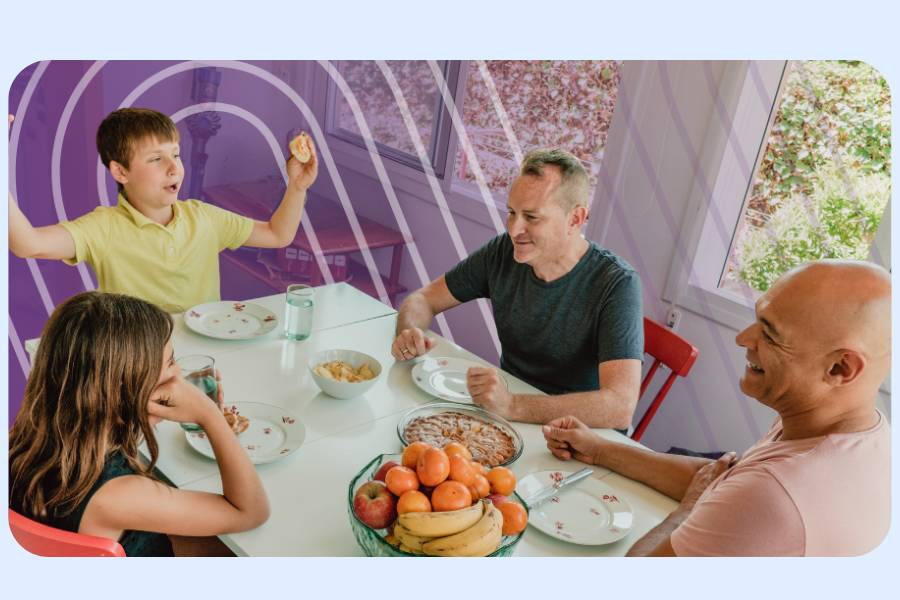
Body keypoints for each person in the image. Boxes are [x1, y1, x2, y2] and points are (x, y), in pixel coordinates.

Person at [543, 260, 890, 556]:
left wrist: (688, 510)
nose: (743, 338)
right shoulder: (855, 428)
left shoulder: (777, 492)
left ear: (840, 368)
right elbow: (723, 480)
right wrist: (601, 449)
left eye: (769, 335)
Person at [392, 148, 643, 429]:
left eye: (532, 217)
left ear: (575, 219)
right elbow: (423, 299)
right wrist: (408, 332)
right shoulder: (503, 251)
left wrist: (512, 404)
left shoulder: (617, 283)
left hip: (580, 436)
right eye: (512, 212)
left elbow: (620, 406)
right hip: (508, 419)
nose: (514, 229)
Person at [9, 292, 270, 556]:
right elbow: (250, 512)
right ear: (124, 387)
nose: (178, 375)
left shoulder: (23, 440)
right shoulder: (119, 496)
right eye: (170, 363)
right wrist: (209, 415)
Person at [8, 108, 318, 312]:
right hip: (136, 365)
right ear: (120, 172)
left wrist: (297, 187)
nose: (173, 169)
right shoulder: (103, 227)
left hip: (205, 361)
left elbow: (278, 235)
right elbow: (28, 243)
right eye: (156, 159)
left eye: (176, 155)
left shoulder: (204, 218)